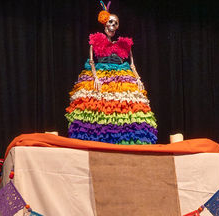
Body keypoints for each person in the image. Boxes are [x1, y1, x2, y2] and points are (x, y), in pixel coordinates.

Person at [66, 3, 158, 145]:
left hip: (121, 77)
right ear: (105, 23)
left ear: (118, 26)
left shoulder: (124, 44)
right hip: (101, 74)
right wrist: (95, 77)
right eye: (110, 22)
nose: (113, 25)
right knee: (97, 108)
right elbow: (91, 61)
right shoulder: (96, 41)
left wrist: (138, 78)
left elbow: (132, 63)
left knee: (125, 108)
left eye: (116, 23)